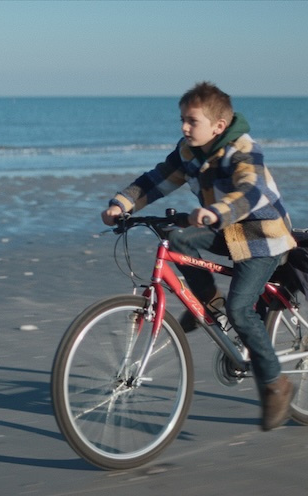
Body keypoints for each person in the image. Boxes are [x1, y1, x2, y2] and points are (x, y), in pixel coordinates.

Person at [101, 82, 298, 431]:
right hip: (224, 227)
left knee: (242, 308)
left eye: (191, 121)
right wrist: (123, 203)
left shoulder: (242, 150)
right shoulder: (189, 151)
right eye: (182, 120)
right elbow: (157, 179)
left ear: (218, 126)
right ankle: (210, 303)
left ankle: (276, 384)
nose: (184, 128)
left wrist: (217, 211)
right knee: (177, 241)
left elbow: (253, 191)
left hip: (262, 236)